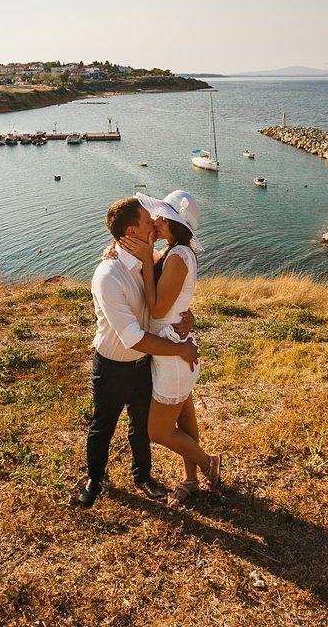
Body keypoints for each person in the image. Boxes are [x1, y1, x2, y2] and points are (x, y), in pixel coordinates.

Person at [76, 197, 198, 508]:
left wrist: (188, 316)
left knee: (141, 426)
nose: (154, 224)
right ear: (131, 232)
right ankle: (95, 478)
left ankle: (143, 476)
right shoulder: (108, 275)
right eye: (148, 221)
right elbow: (132, 337)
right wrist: (179, 349)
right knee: (103, 425)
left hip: (145, 363)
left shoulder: (149, 259)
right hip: (113, 366)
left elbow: (172, 294)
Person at [119, 191, 221, 506]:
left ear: (175, 223)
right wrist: (125, 252)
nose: (156, 220)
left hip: (173, 355)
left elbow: (159, 309)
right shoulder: (171, 251)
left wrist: (147, 260)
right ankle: (191, 479)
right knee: (186, 420)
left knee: (159, 431)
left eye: (163, 217)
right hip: (173, 348)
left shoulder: (178, 256)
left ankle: (207, 463)